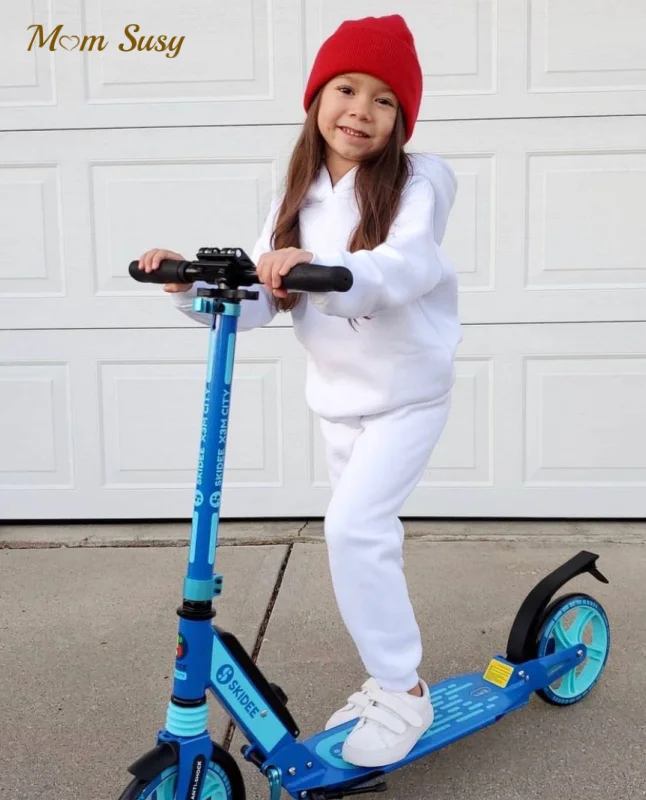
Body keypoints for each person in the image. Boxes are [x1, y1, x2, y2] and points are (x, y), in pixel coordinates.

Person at [137, 14, 461, 768]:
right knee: (364, 542)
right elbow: (258, 299)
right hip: (338, 403)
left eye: (384, 99)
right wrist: (191, 285)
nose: (361, 110)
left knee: (352, 532)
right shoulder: (298, 194)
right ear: (317, 99)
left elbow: (407, 265)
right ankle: (386, 680)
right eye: (346, 89)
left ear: (402, 118)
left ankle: (404, 691)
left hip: (408, 397)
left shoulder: (421, 179)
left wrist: (329, 272)